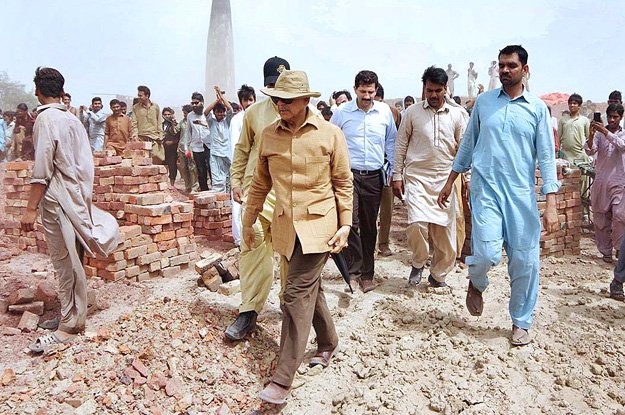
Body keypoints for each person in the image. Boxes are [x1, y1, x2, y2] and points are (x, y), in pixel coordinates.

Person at [242, 69, 352, 405]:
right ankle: (329, 342)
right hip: (286, 229)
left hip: (321, 229)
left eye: (287, 100)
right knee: (308, 290)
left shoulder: (330, 134)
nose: (280, 105)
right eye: (276, 99)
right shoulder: (268, 136)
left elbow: (343, 184)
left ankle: (282, 378)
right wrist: (248, 222)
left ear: (306, 100)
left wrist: (345, 225)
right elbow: (260, 184)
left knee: (293, 294)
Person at [438, 45, 559, 346]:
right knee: (487, 254)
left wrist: (552, 202)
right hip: (486, 190)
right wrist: (449, 180)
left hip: (520, 196)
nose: (505, 70)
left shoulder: (537, 109)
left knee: (524, 261)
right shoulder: (484, 103)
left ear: (525, 70)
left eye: (512, 66)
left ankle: (521, 321)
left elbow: (546, 156)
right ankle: (476, 282)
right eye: (502, 66)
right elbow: (468, 144)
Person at [21, 67, 119, 352]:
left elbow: (42, 169)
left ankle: (70, 325)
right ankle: (72, 311)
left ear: (38, 89)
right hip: (76, 197)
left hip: (57, 199)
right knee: (71, 257)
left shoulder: (46, 120)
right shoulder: (71, 119)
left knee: (64, 261)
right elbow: (85, 165)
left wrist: (30, 208)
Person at [227, 56, 291, 340]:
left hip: (290, 194)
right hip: (258, 191)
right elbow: (242, 150)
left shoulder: (308, 114)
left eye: (281, 86)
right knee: (251, 244)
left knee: (291, 253)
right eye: (270, 87)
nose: (277, 94)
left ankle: (290, 306)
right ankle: (249, 309)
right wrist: (235, 181)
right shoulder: (254, 113)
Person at [394, 66, 467, 288]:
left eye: (438, 90)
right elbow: (401, 144)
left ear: (446, 89)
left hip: (445, 180)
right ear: (423, 89)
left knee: (445, 234)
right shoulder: (412, 113)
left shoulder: (457, 115)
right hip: (416, 177)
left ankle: (438, 276)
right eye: (429, 90)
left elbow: (464, 149)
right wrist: (397, 175)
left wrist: (467, 179)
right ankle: (418, 262)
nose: (433, 95)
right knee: (416, 224)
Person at [330, 70, 397, 293]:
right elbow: (330, 139)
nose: (366, 96)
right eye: (362, 91)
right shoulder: (342, 112)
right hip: (349, 177)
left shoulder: (384, 112)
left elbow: (391, 141)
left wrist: (392, 169)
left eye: (370, 92)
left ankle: (368, 274)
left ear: (376, 90)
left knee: (370, 227)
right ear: (355, 89)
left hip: (375, 177)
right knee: (352, 224)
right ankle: (354, 272)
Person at [585, 104, 625, 263]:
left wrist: (605, 132)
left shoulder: (621, 133)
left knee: (619, 217)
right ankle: (605, 252)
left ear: (620, 117)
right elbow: (590, 150)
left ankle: (620, 249)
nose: (612, 120)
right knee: (601, 218)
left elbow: (622, 146)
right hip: (601, 180)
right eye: (610, 116)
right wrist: (591, 134)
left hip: (619, 181)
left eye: (615, 117)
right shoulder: (599, 134)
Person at [374, 83, 401, 257]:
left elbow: (398, 140)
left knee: (386, 208)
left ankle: (383, 243)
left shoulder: (392, 113)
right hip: (367, 167)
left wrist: (396, 168)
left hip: (387, 166)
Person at [229, 85, 256, 245]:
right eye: (245, 100)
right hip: (241, 169)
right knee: (239, 202)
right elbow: (234, 148)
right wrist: (238, 174)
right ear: (241, 102)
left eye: (250, 99)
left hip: (256, 168)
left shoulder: (258, 118)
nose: (248, 103)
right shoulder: (237, 120)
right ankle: (239, 238)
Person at [204, 86, 234, 193]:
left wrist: (222, 97)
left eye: (222, 112)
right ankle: (219, 203)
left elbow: (230, 109)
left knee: (229, 178)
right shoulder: (211, 122)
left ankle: (229, 202)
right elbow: (206, 112)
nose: (220, 114)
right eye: (218, 112)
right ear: (215, 112)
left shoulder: (227, 121)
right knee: (217, 180)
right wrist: (216, 101)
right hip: (216, 154)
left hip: (227, 153)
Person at [131, 85, 164, 164]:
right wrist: (135, 135)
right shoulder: (135, 107)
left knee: (157, 157)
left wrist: (161, 135)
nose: (138, 97)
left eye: (140, 95)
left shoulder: (155, 107)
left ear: (147, 96)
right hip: (141, 137)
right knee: (142, 161)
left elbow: (159, 122)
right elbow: (134, 123)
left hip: (154, 137)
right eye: (138, 95)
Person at [187, 92, 211, 191]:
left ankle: (216, 192)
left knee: (211, 169)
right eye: (192, 103)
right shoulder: (190, 116)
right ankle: (204, 191)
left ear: (202, 102)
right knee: (201, 172)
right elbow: (188, 132)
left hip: (209, 146)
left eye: (196, 103)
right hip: (196, 147)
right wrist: (186, 147)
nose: (194, 105)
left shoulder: (209, 113)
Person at [177, 104, 199, 193]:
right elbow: (175, 130)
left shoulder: (195, 122)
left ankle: (194, 187)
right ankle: (187, 186)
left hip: (191, 147)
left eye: (186, 113)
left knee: (192, 168)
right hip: (182, 147)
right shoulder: (181, 122)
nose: (184, 115)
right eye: (184, 113)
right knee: (183, 167)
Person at [162, 107, 180, 187]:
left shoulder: (176, 125)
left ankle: (172, 185)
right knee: (163, 167)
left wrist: (172, 142)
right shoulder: (160, 125)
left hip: (172, 150)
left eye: (169, 114)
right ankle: (164, 185)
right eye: (165, 114)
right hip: (162, 150)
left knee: (172, 167)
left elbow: (179, 137)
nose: (167, 116)